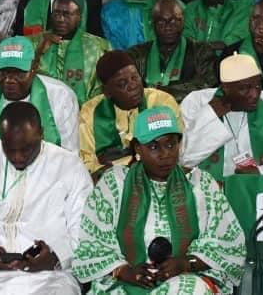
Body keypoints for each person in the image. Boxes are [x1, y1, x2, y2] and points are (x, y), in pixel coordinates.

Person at [72, 105, 247, 293]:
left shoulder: (200, 184)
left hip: (186, 280)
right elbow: (92, 246)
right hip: (125, 282)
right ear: (138, 148)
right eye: (154, 147)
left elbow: (230, 244)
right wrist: (124, 271)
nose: (165, 154)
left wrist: (187, 263)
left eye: (171, 144)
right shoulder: (115, 183)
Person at [0, 102, 92, 295]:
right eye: (10, 149)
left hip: (51, 277)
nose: (18, 157)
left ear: (41, 133)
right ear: (0, 135)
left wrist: (56, 257)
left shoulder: (69, 166)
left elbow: (83, 228)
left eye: (26, 149)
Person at [0, 35, 80, 156]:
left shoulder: (61, 96)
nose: (9, 80)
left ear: (34, 68)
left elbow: (70, 155)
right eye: (2, 73)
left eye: (19, 74)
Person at [179, 53, 263, 183]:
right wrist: (209, 114)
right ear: (225, 88)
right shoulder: (196, 102)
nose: (255, 94)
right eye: (244, 88)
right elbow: (184, 159)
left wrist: (261, 172)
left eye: (258, 85)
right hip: (207, 191)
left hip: (255, 188)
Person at [78, 50, 180, 176]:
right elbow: (87, 162)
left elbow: (175, 149)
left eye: (135, 77)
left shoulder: (161, 102)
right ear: (107, 92)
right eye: (122, 83)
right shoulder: (90, 111)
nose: (133, 86)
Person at [126, 0, 221, 103]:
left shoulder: (201, 52)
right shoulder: (136, 54)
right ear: (153, 24)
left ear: (183, 22)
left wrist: (163, 92)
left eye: (174, 20)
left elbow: (207, 86)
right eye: (161, 22)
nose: (168, 27)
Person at [29, 0, 111, 104]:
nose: (61, 19)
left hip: (85, 114)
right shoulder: (34, 43)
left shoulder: (99, 46)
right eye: (57, 13)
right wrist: (39, 52)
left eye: (67, 14)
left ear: (79, 17)